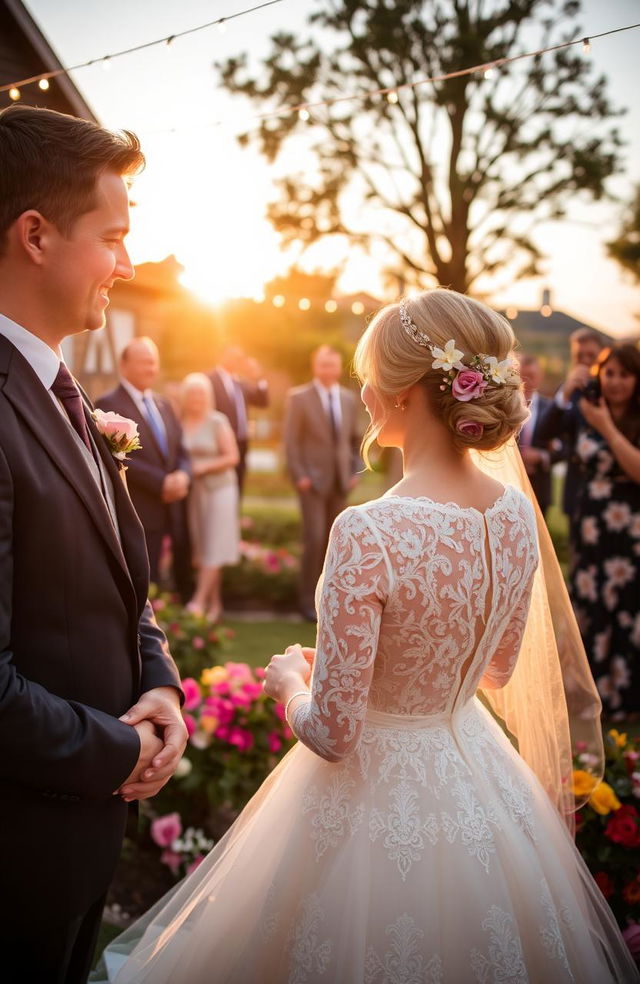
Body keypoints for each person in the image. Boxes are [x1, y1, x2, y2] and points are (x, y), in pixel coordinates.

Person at [95, 290, 637, 984]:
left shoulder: (369, 530)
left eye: (370, 374)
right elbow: (495, 671)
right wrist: (396, 665)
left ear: (408, 393)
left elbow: (334, 733)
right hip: (477, 779)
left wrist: (291, 681)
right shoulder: (512, 517)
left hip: (372, 799)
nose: (363, 391)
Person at [0, 104, 187, 984]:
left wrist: (161, 685)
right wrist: (126, 750)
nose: (129, 263)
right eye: (113, 236)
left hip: (74, 843)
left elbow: (120, 587)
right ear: (35, 235)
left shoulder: (62, 391)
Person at [564, 343, 640, 719]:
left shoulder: (626, 418)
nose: (615, 382)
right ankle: (588, 697)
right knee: (589, 606)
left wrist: (606, 427)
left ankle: (625, 700)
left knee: (626, 607)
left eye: (624, 374)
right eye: (609, 373)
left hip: (630, 531)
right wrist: (565, 391)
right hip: (591, 526)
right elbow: (544, 432)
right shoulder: (584, 406)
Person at [97, 337, 193, 601]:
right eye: (143, 362)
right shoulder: (107, 404)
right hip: (140, 506)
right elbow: (114, 455)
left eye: (153, 362)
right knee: (145, 581)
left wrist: (184, 475)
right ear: (124, 365)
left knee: (175, 578)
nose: (150, 369)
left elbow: (182, 449)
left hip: (173, 506)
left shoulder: (165, 404)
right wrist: (161, 483)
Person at [283, 344, 362, 621]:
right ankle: (306, 601)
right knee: (314, 540)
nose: (328, 369)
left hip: (341, 482)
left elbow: (355, 440)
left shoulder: (349, 399)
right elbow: (291, 442)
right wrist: (300, 475)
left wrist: (356, 472)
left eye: (333, 364)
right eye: (323, 364)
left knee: (337, 543)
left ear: (339, 367)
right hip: (311, 483)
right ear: (315, 366)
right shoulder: (299, 398)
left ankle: (331, 599)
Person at [180, 372, 240, 622]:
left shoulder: (217, 421)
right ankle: (215, 606)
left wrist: (202, 468)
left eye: (201, 393)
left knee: (214, 545)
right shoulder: (179, 421)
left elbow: (232, 457)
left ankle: (198, 601)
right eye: (192, 393)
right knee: (203, 547)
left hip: (221, 490)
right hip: (195, 494)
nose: (196, 398)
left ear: (208, 396)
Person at [537, 328, 605, 524]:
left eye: (591, 355)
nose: (585, 360)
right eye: (579, 356)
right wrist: (565, 394)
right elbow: (544, 432)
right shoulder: (568, 390)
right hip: (576, 491)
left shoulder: (615, 391)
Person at [208, 344, 269, 496]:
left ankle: (234, 517)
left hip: (242, 442)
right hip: (219, 444)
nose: (237, 360)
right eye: (233, 356)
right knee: (221, 485)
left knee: (239, 484)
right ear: (222, 356)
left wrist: (258, 377)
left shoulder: (240, 383)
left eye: (240, 357)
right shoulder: (209, 379)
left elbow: (262, 401)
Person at [517, 354, 557, 515]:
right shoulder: (504, 408)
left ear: (539, 377)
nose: (526, 382)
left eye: (531, 376)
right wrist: (520, 457)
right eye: (522, 377)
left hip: (540, 487)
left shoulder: (552, 409)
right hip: (512, 482)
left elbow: (566, 448)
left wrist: (541, 456)